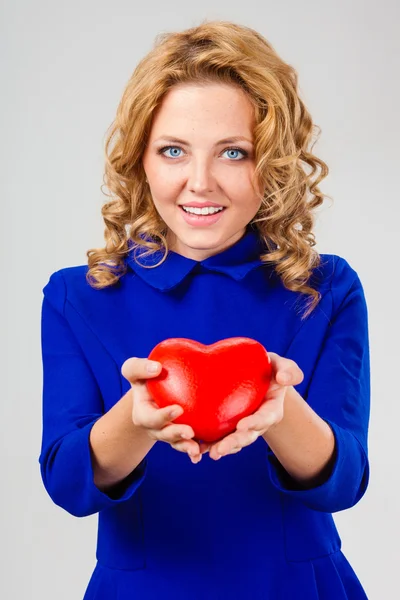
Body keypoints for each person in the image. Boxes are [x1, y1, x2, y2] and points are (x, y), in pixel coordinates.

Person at [39, 20, 371, 600]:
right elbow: (70, 485)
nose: (200, 183)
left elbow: (342, 483)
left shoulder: (325, 288)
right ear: (141, 159)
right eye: (173, 150)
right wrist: (136, 420)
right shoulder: (78, 296)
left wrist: (280, 410)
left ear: (273, 165)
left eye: (233, 153)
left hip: (295, 586)